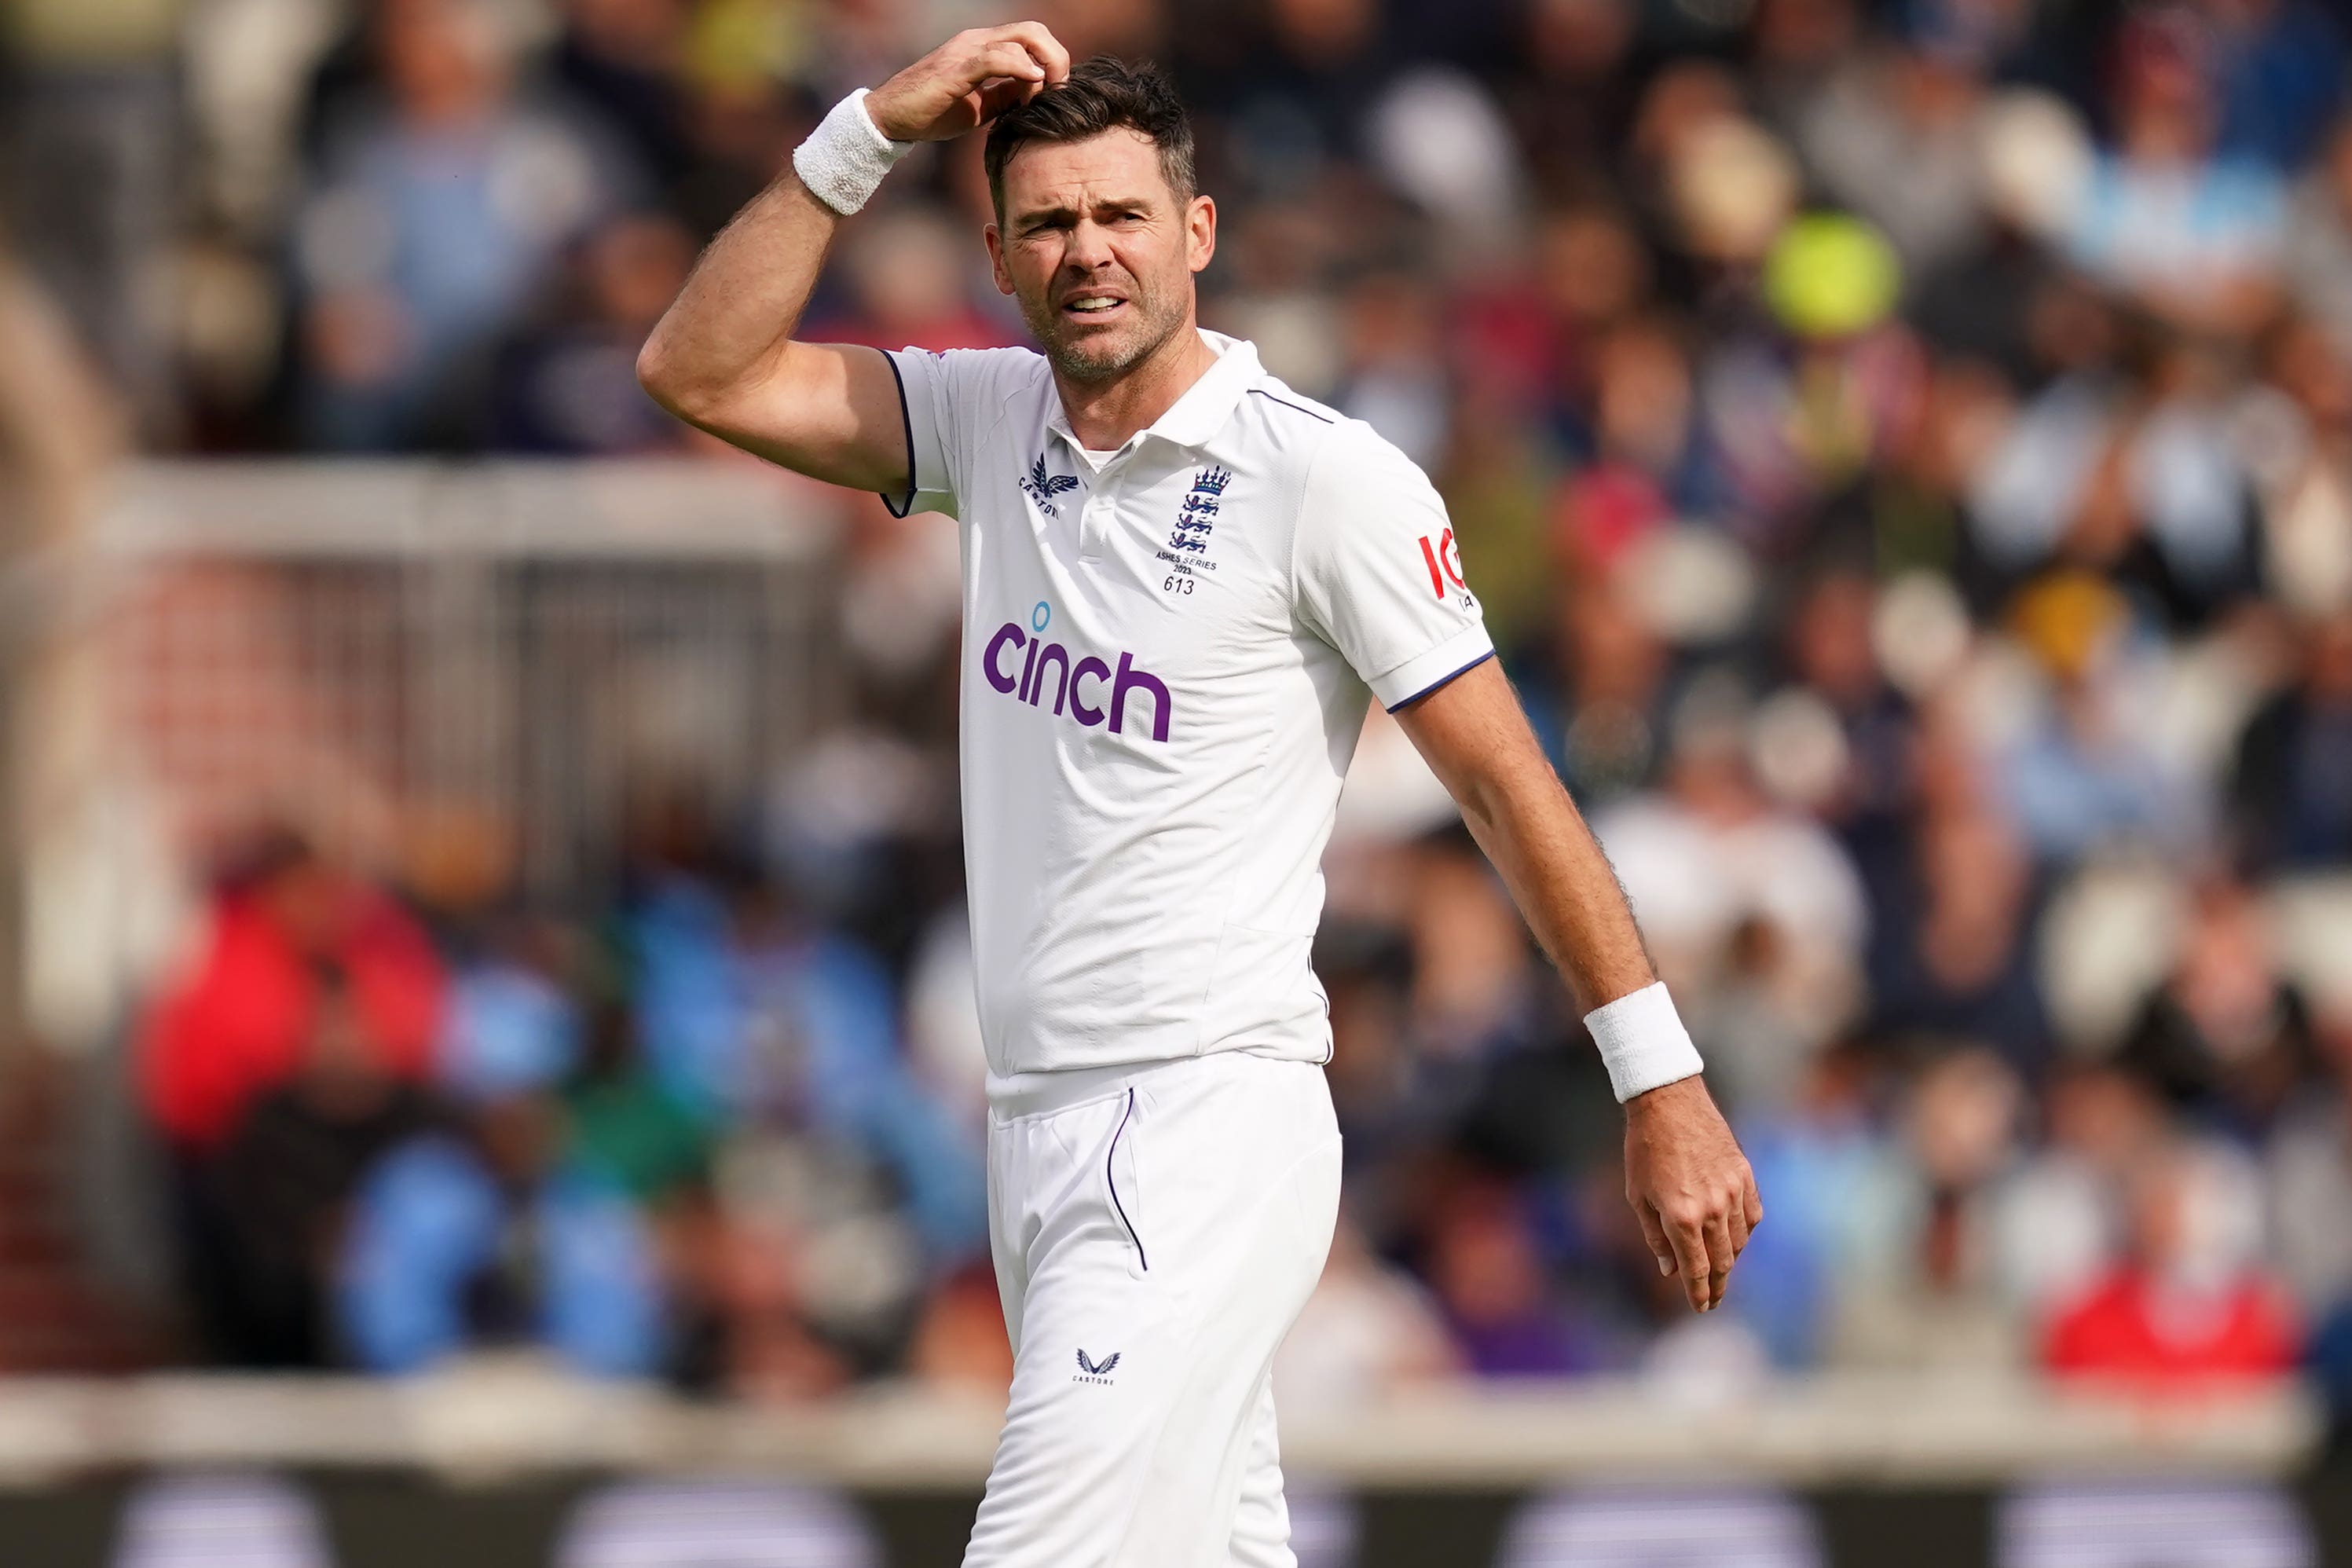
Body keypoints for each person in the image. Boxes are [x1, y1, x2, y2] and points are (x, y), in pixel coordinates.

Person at [637, 28, 1759, 1566]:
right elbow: (696, 368)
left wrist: (1663, 1080)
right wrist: (868, 128)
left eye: (1121, 216)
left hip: (1197, 1126)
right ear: (999, 257)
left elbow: (1503, 777)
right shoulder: (986, 420)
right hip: (1033, 1133)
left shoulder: (1322, 480)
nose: (1087, 251)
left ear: (1198, 233)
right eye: (1048, 224)